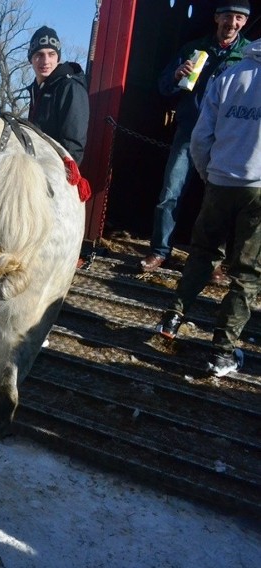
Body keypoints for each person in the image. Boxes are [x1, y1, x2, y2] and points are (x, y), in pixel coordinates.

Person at [156, 37, 261, 377]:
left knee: (202, 253)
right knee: (246, 274)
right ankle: (222, 351)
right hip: (257, 189)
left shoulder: (229, 76)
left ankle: (173, 316)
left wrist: (208, 173)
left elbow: (201, 135)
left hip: (220, 182)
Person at [140, 0, 251, 277]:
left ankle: (211, 262)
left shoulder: (249, 55)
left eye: (238, 18)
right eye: (227, 16)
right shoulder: (194, 49)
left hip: (228, 139)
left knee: (219, 202)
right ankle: (159, 251)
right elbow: (163, 86)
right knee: (170, 193)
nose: (232, 23)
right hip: (189, 133)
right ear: (216, 18)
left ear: (245, 22)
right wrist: (176, 76)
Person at [26, 25, 89, 165]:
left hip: (54, 173)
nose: (45, 61)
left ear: (58, 58)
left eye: (51, 54)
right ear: (31, 58)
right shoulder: (38, 90)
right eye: (39, 55)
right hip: (34, 166)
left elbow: (73, 147)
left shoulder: (70, 87)